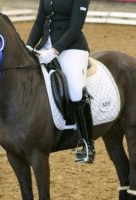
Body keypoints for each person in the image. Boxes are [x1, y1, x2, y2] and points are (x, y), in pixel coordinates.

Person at [26, 0, 95, 164]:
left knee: (76, 90)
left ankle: (87, 144)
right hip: (44, 46)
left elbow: (76, 26)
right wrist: (28, 46)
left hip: (71, 47)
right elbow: (39, 21)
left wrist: (56, 49)